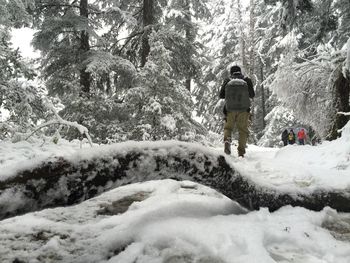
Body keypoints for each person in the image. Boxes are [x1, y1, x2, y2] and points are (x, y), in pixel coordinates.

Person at [219, 65, 255, 157]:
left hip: (229, 109)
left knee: (228, 128)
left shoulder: (228, 81)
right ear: (240, 72)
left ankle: (227, 140)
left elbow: (221, 95)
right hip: (243, 110)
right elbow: (252, 94)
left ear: (231, 73)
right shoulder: (247, 80)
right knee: (243, 130)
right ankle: (241, 152)